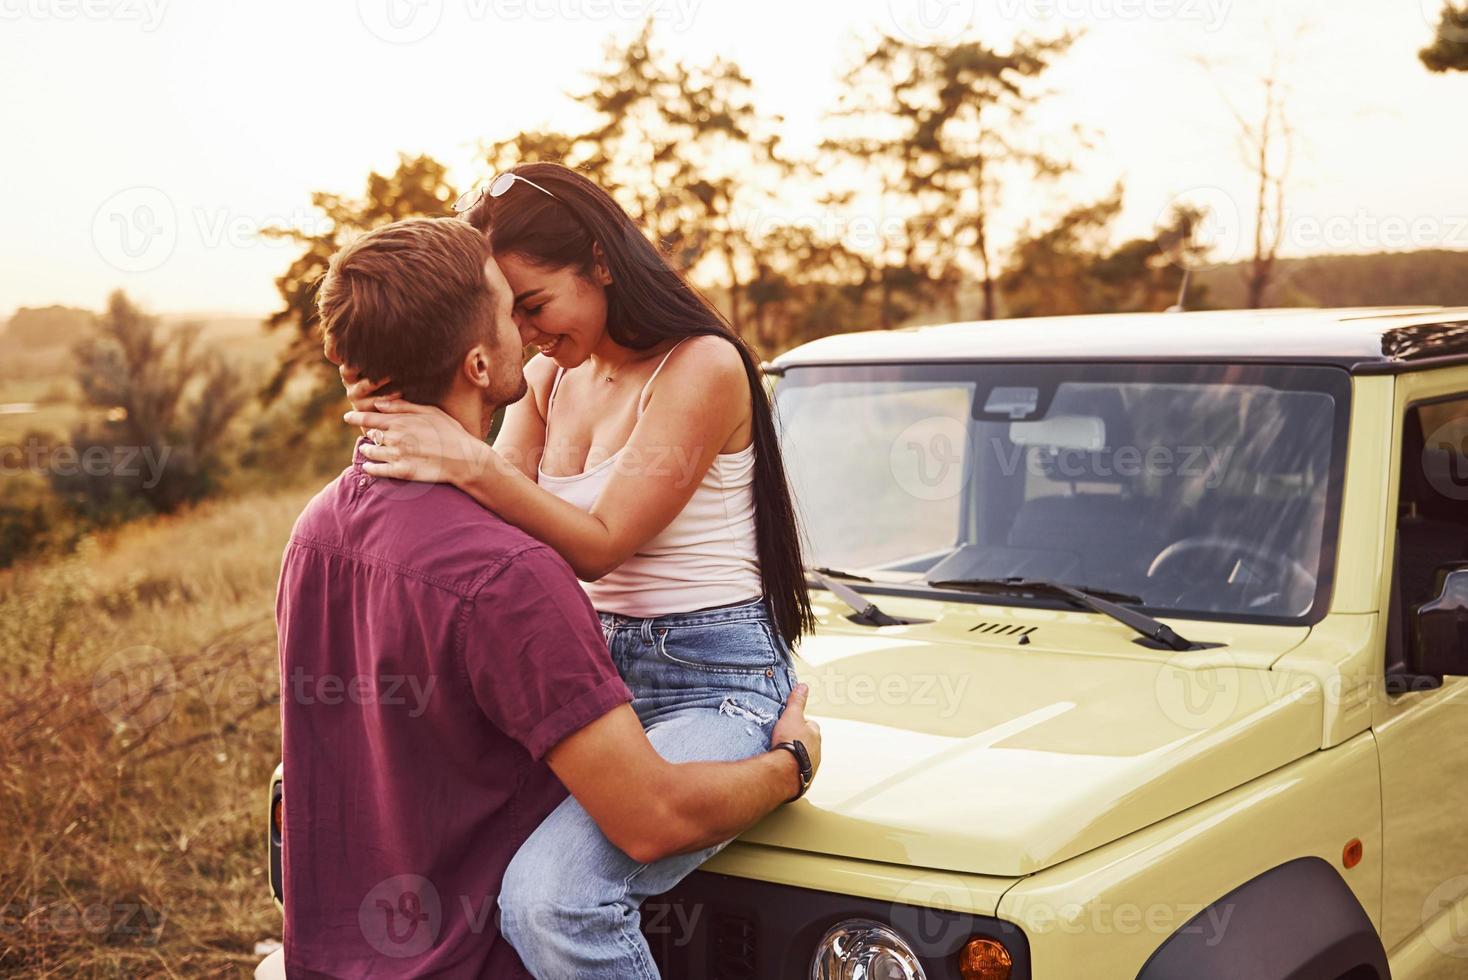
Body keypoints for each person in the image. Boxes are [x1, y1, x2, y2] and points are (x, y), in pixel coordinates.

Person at [277, 215, 820, 979]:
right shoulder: (506, 568)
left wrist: (433, 432)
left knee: (558, 890)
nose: (527, 333)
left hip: (707, 683)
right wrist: (792, 763)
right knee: (556, 898)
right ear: (474, 360)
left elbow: (569, 540)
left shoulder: (317, 529)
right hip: (480, 939)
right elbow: (650, 814)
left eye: (533, 304)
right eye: (510, 310)